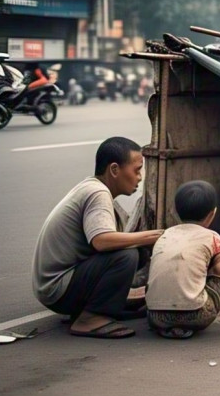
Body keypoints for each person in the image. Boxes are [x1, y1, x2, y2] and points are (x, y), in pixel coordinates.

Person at [32, 137, 163, 339]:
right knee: (127, 255)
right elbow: (101, 241)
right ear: (114, 170)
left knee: (133, 250)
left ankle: (94, 307)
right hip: (57, 289)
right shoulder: (98, 193)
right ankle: (89, 318)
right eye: (136, 170)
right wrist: (150, 237)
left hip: (56, 285)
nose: (139, 177)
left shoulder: (92, 188)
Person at [146, 181, 220, 340]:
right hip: (196, 315)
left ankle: (169, 326)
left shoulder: (164, 235)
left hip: (155, 317)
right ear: (212, 214)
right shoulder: (211, 236)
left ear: (176, 212)